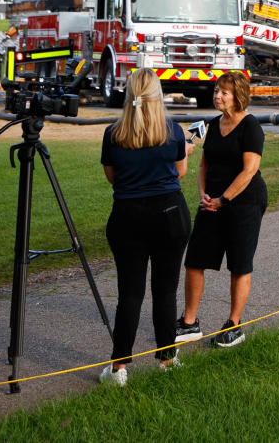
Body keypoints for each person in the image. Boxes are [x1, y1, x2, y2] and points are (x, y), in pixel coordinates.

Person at [98, 69, 192, 386]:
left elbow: (113, 177)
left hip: (127, 216)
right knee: (165, 291)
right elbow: (180, 172)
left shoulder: (113, 133)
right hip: (169, 213)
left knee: (130, 294)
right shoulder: (174, 131)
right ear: (158, 95)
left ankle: (119, 368)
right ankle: (167, 358)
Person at [177, 70, 266, 348]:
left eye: (223, 92)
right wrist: (204, 195)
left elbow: (249, 171)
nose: (217, 95)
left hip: (244, 202)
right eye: (216, 90)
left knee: (239, 264)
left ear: (238, 96)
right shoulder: (210, 125)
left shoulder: (251, 127)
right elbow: (203, 164)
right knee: (194, 260)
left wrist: (223, 199)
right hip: (212, 202)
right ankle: (189, 323)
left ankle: (234, 325)